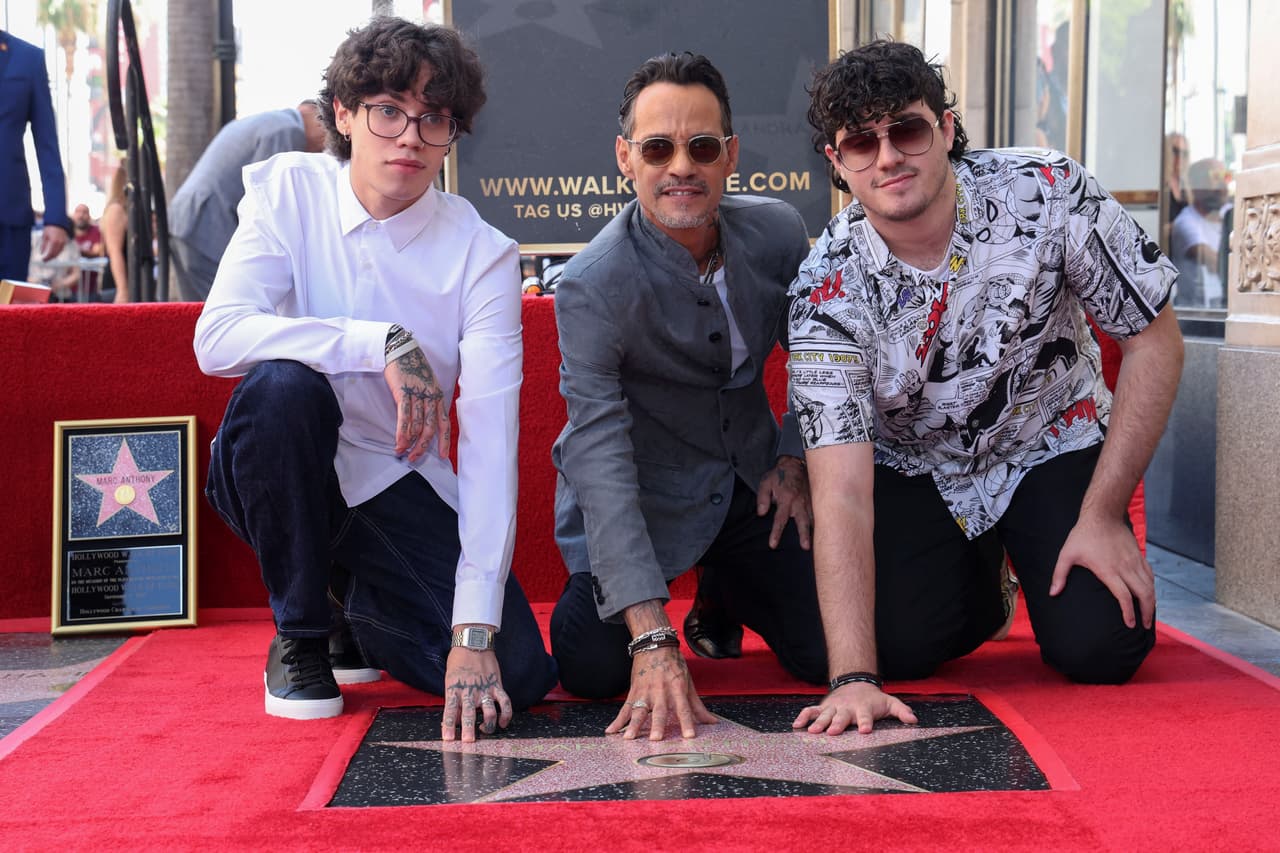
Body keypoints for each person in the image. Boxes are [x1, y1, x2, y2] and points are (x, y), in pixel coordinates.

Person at [787, 40, 1184, 735]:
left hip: (1048, 437)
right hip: (918, 466)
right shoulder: (825, 289)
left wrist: (1102, 514)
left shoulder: (1050, 190)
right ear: (837, 162)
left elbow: (1154, 340)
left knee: (1104, 645)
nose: (888, 157)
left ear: (945, 128)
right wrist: (854, 678)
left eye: (907, 130)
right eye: (861, 143)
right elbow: (842, 490)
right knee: (897, 649)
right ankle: (988, 586)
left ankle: (1046, 543)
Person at [194, 18, 556, 737]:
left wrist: (472, 632)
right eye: (389, 110)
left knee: (518, 674)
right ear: (343, 114)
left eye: (434, 119)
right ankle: (301, 632)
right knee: (283, 387)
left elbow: (489, 444)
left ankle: (350, 605)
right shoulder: (288, 193)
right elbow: (218, 336)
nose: (410, 138)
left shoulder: (481, 254)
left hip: (395, 477)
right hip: (281, 464)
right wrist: (379, 342)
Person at [549, 52, 828, 741]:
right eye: (657, 148)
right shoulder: (592, 284)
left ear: (730, 155)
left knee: (829, 651)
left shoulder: (777, 233)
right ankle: (690, 595)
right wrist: (650, 633)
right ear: (625, 158)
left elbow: (821, 358)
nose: (682, 166)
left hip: (749, 486)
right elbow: (598, 455)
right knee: (590, 667)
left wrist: (794, 457)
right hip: (645, 501)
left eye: (702, 147)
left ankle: (722, 592)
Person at [169, 101, 327, 301]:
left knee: (197, 310)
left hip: (188, 216)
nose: (322, 150)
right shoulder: (288, 131)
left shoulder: (270, 121)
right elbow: (270, 204)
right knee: (229, 304)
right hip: (208, 224)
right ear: (317, 118)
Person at [0, 30, 69, 281]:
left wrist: (56, 218)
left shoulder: (28, 59)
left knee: (8, 305)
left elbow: (47, 144)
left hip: (9, 219)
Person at [1169, 157, 1229, 309]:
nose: (1223, 185)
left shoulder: (1227, 215)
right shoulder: (1186, 222)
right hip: (1196, 312)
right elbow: (1217, 263)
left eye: (1226, 176)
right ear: (1197, 187)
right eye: (1215, 177)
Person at [99, 167, 129, 303]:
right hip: (118, 282)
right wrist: (122, 290)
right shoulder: (116, 210)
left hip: (125, 280)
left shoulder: (123, 209)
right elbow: (115, 251)